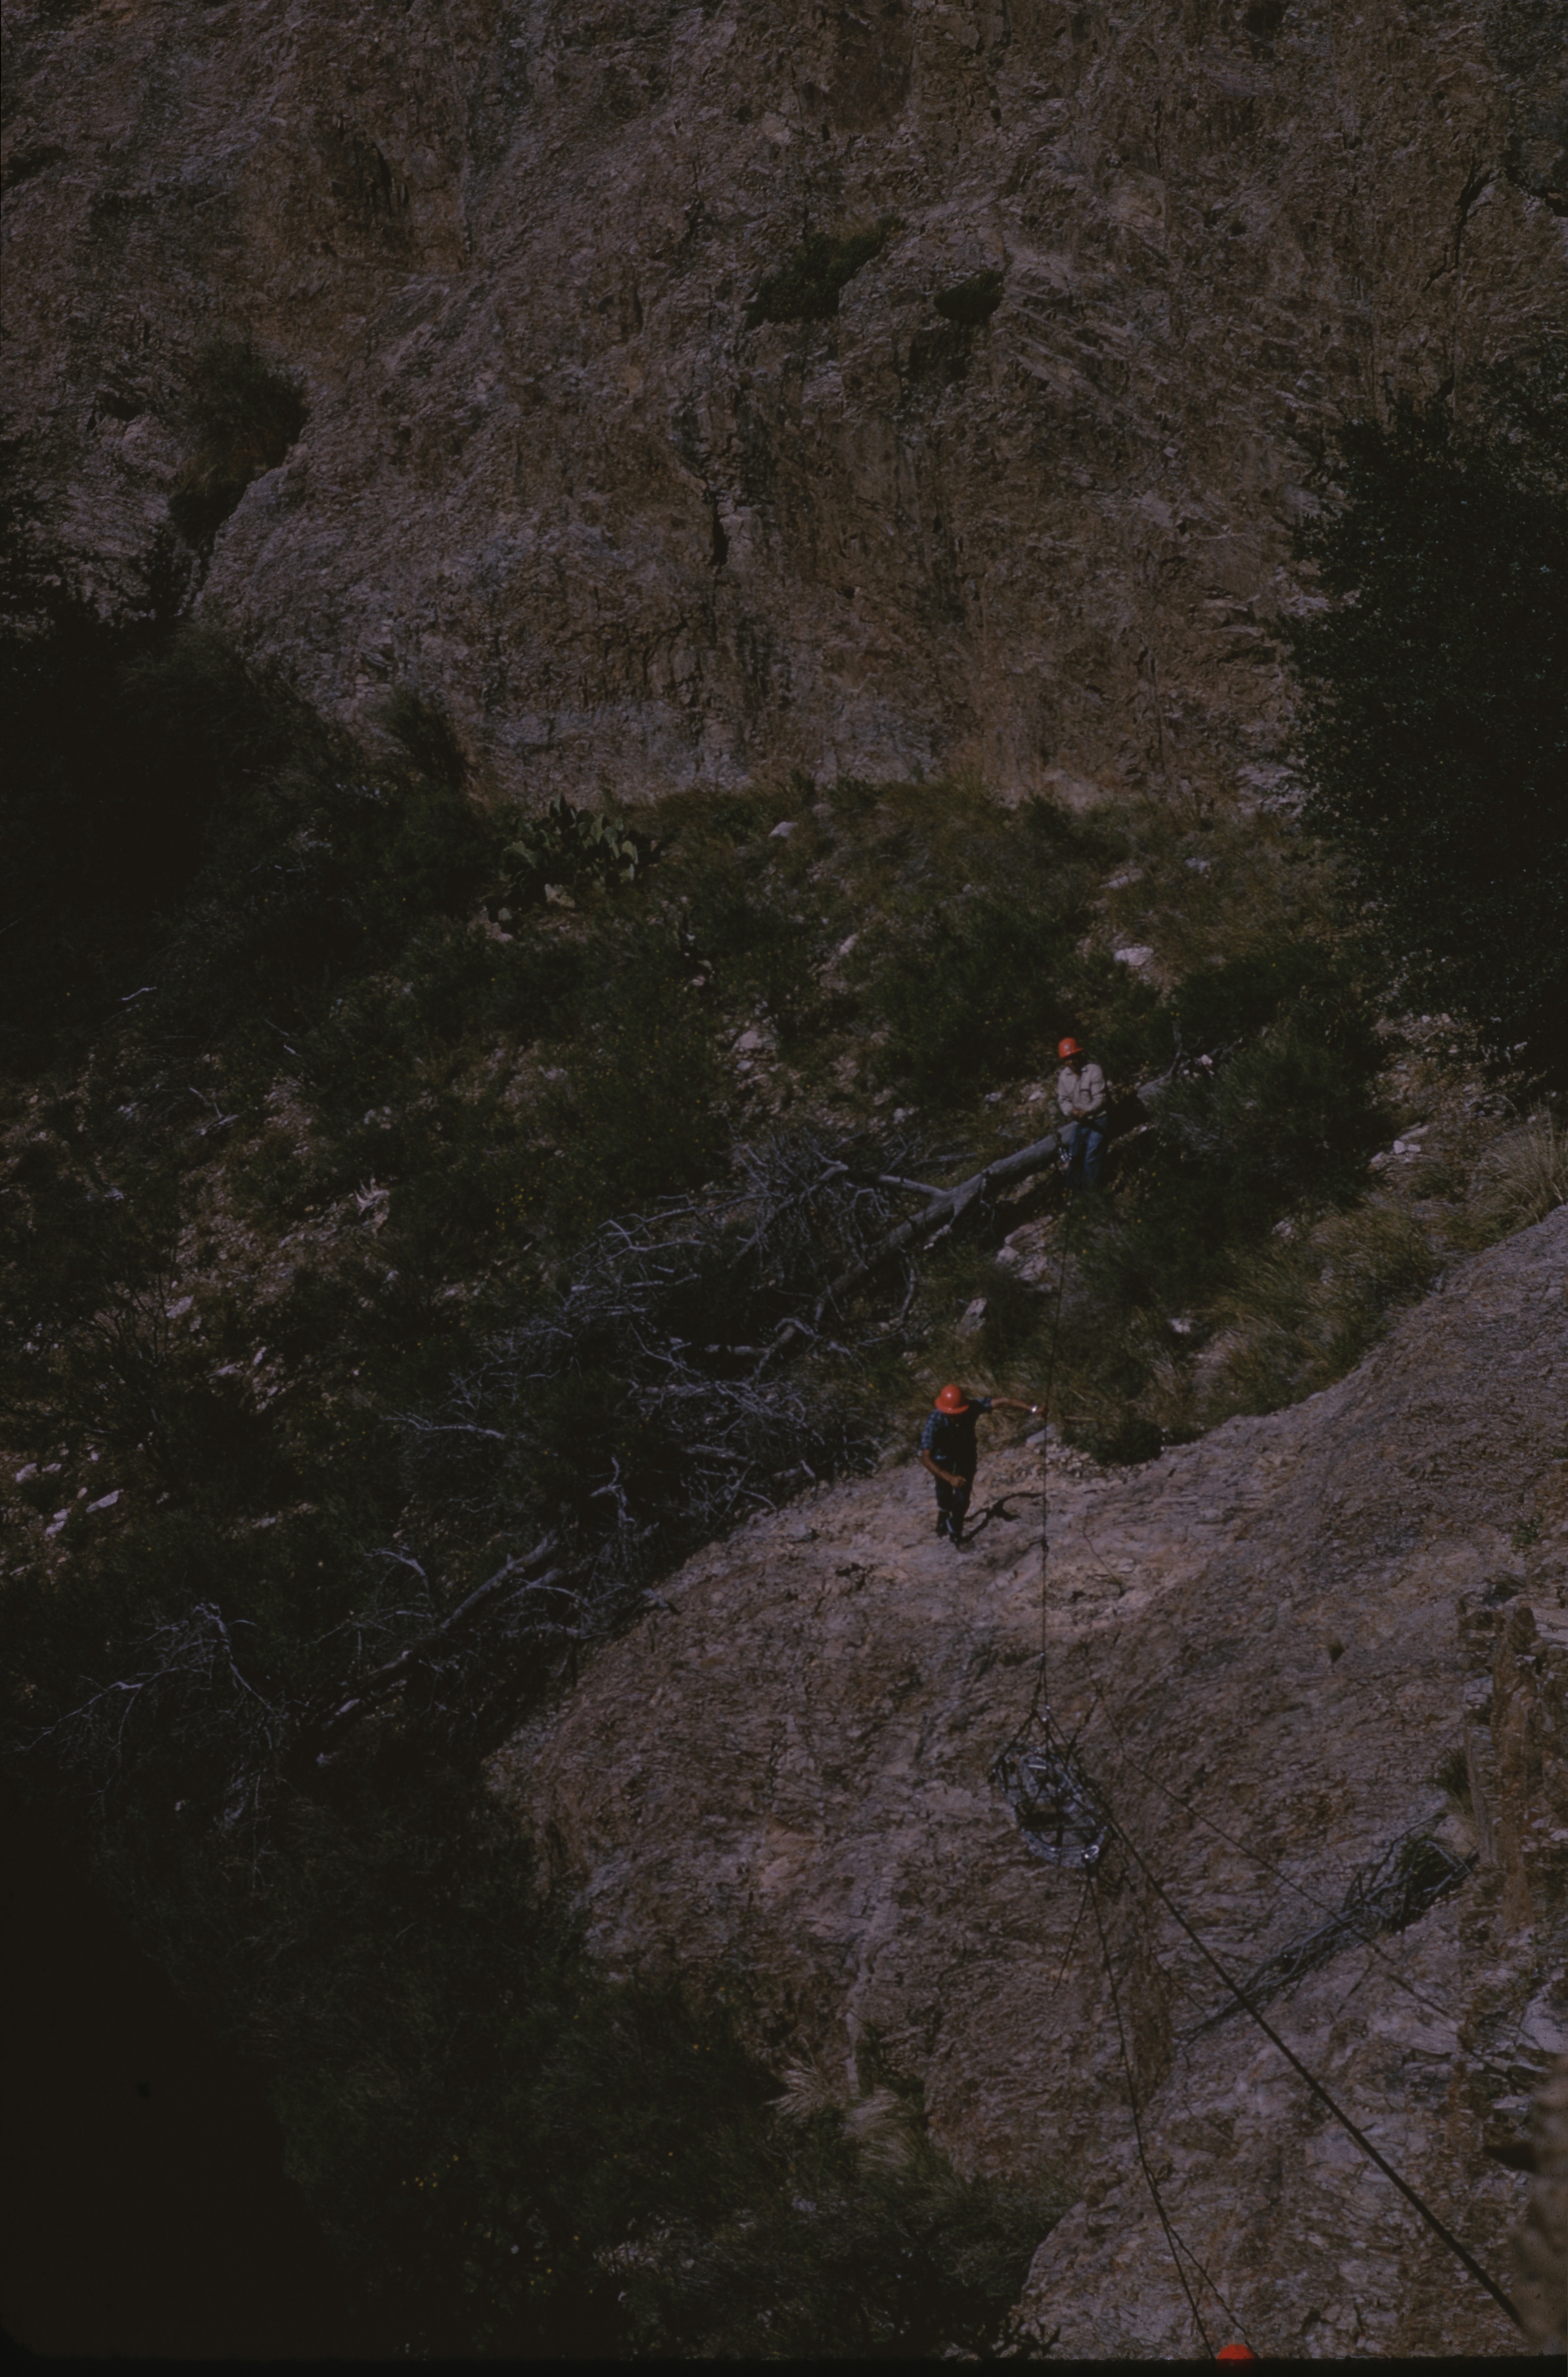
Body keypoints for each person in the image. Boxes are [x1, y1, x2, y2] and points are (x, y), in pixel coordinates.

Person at [918, 1382, 1040, 1547]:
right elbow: (926, 1458)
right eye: (950, 1414)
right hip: (942, 1460)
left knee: (962, 1497)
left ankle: (956, 1530)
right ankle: (944, 1513)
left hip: (965, 1456)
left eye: (957, 1413)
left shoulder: (972, 1408)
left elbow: (1004, 1401)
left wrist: (1033, 1409)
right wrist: (948, 1477)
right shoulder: (934, 1420)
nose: (954, 1417)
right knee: (943, 1491)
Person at [1056, 1035, 1107, 1189]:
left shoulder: (1093, 1070)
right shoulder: (1064, 1076)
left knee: (1092, 1156)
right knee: (1075, 1156)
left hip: (1099, 1119)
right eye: (1067, 1059)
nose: (1071, 1062)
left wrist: (1088, 1111)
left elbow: (1100, 1098)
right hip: (1080, 1121)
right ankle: (1073, 1193)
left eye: (1073, 1057)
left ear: (1080, 1054)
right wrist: (1072, 1111)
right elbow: (1063, 1100)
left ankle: (1091, 1193)